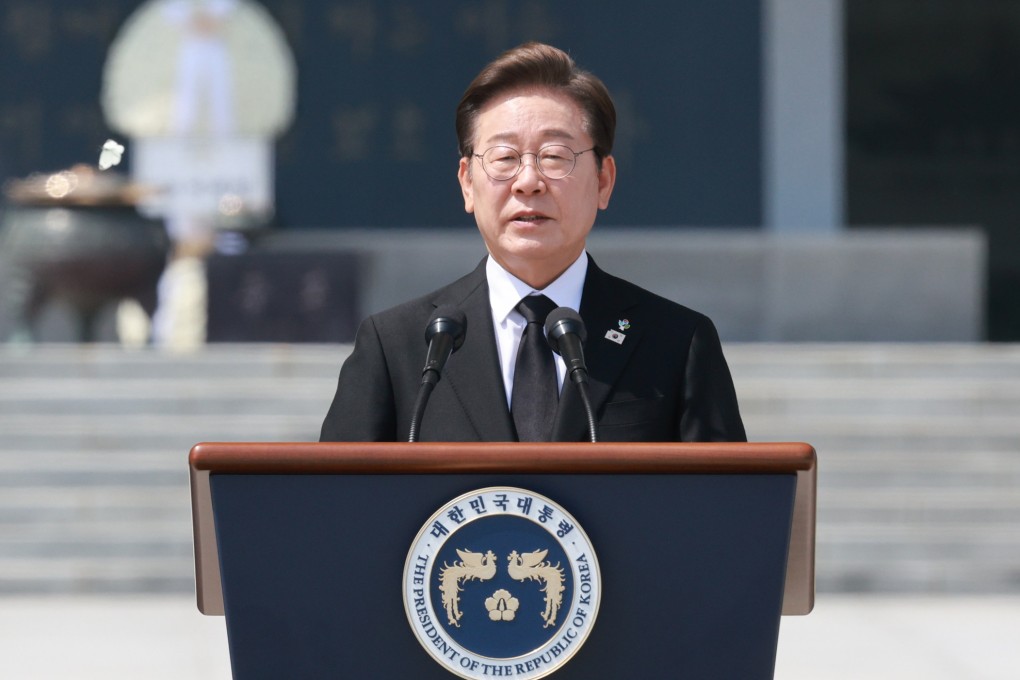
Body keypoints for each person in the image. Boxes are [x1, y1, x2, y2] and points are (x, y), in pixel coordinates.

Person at [320, 42, 745, 443]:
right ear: (468, 183)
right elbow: (335, 510)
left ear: (603, 181)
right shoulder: (401, 346)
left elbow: (726, 511)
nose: (528, 182)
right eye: (504, 158)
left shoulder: (676, 342)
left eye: (555, 157)